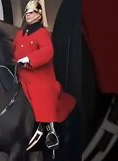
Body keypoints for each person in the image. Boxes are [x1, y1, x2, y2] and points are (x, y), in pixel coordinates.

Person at [12, 0, 76, 150]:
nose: (28, 14)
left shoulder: (42, 33)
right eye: (27, 12)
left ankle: (50, 131)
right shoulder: (19, 34)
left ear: (39, 15)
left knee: (43, 91)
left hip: (38, 75)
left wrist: (29, 59)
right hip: (20, 73)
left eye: (32, 12)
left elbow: (48, 51)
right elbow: (12, 50)